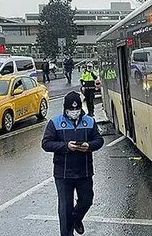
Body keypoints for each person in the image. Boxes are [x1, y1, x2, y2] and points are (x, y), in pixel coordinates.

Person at [41, 92, 104, 236]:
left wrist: (89, 145)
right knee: (65, 209)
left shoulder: (89, 121)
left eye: (76, 110)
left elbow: (99, 140)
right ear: (65, 109)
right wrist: (65, 146)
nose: (74, 112)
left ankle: (76, 218)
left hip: (84, 171)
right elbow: (46, 144)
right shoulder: (55, 122)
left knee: (87, 200)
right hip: (63, 174)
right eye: (71, 110)